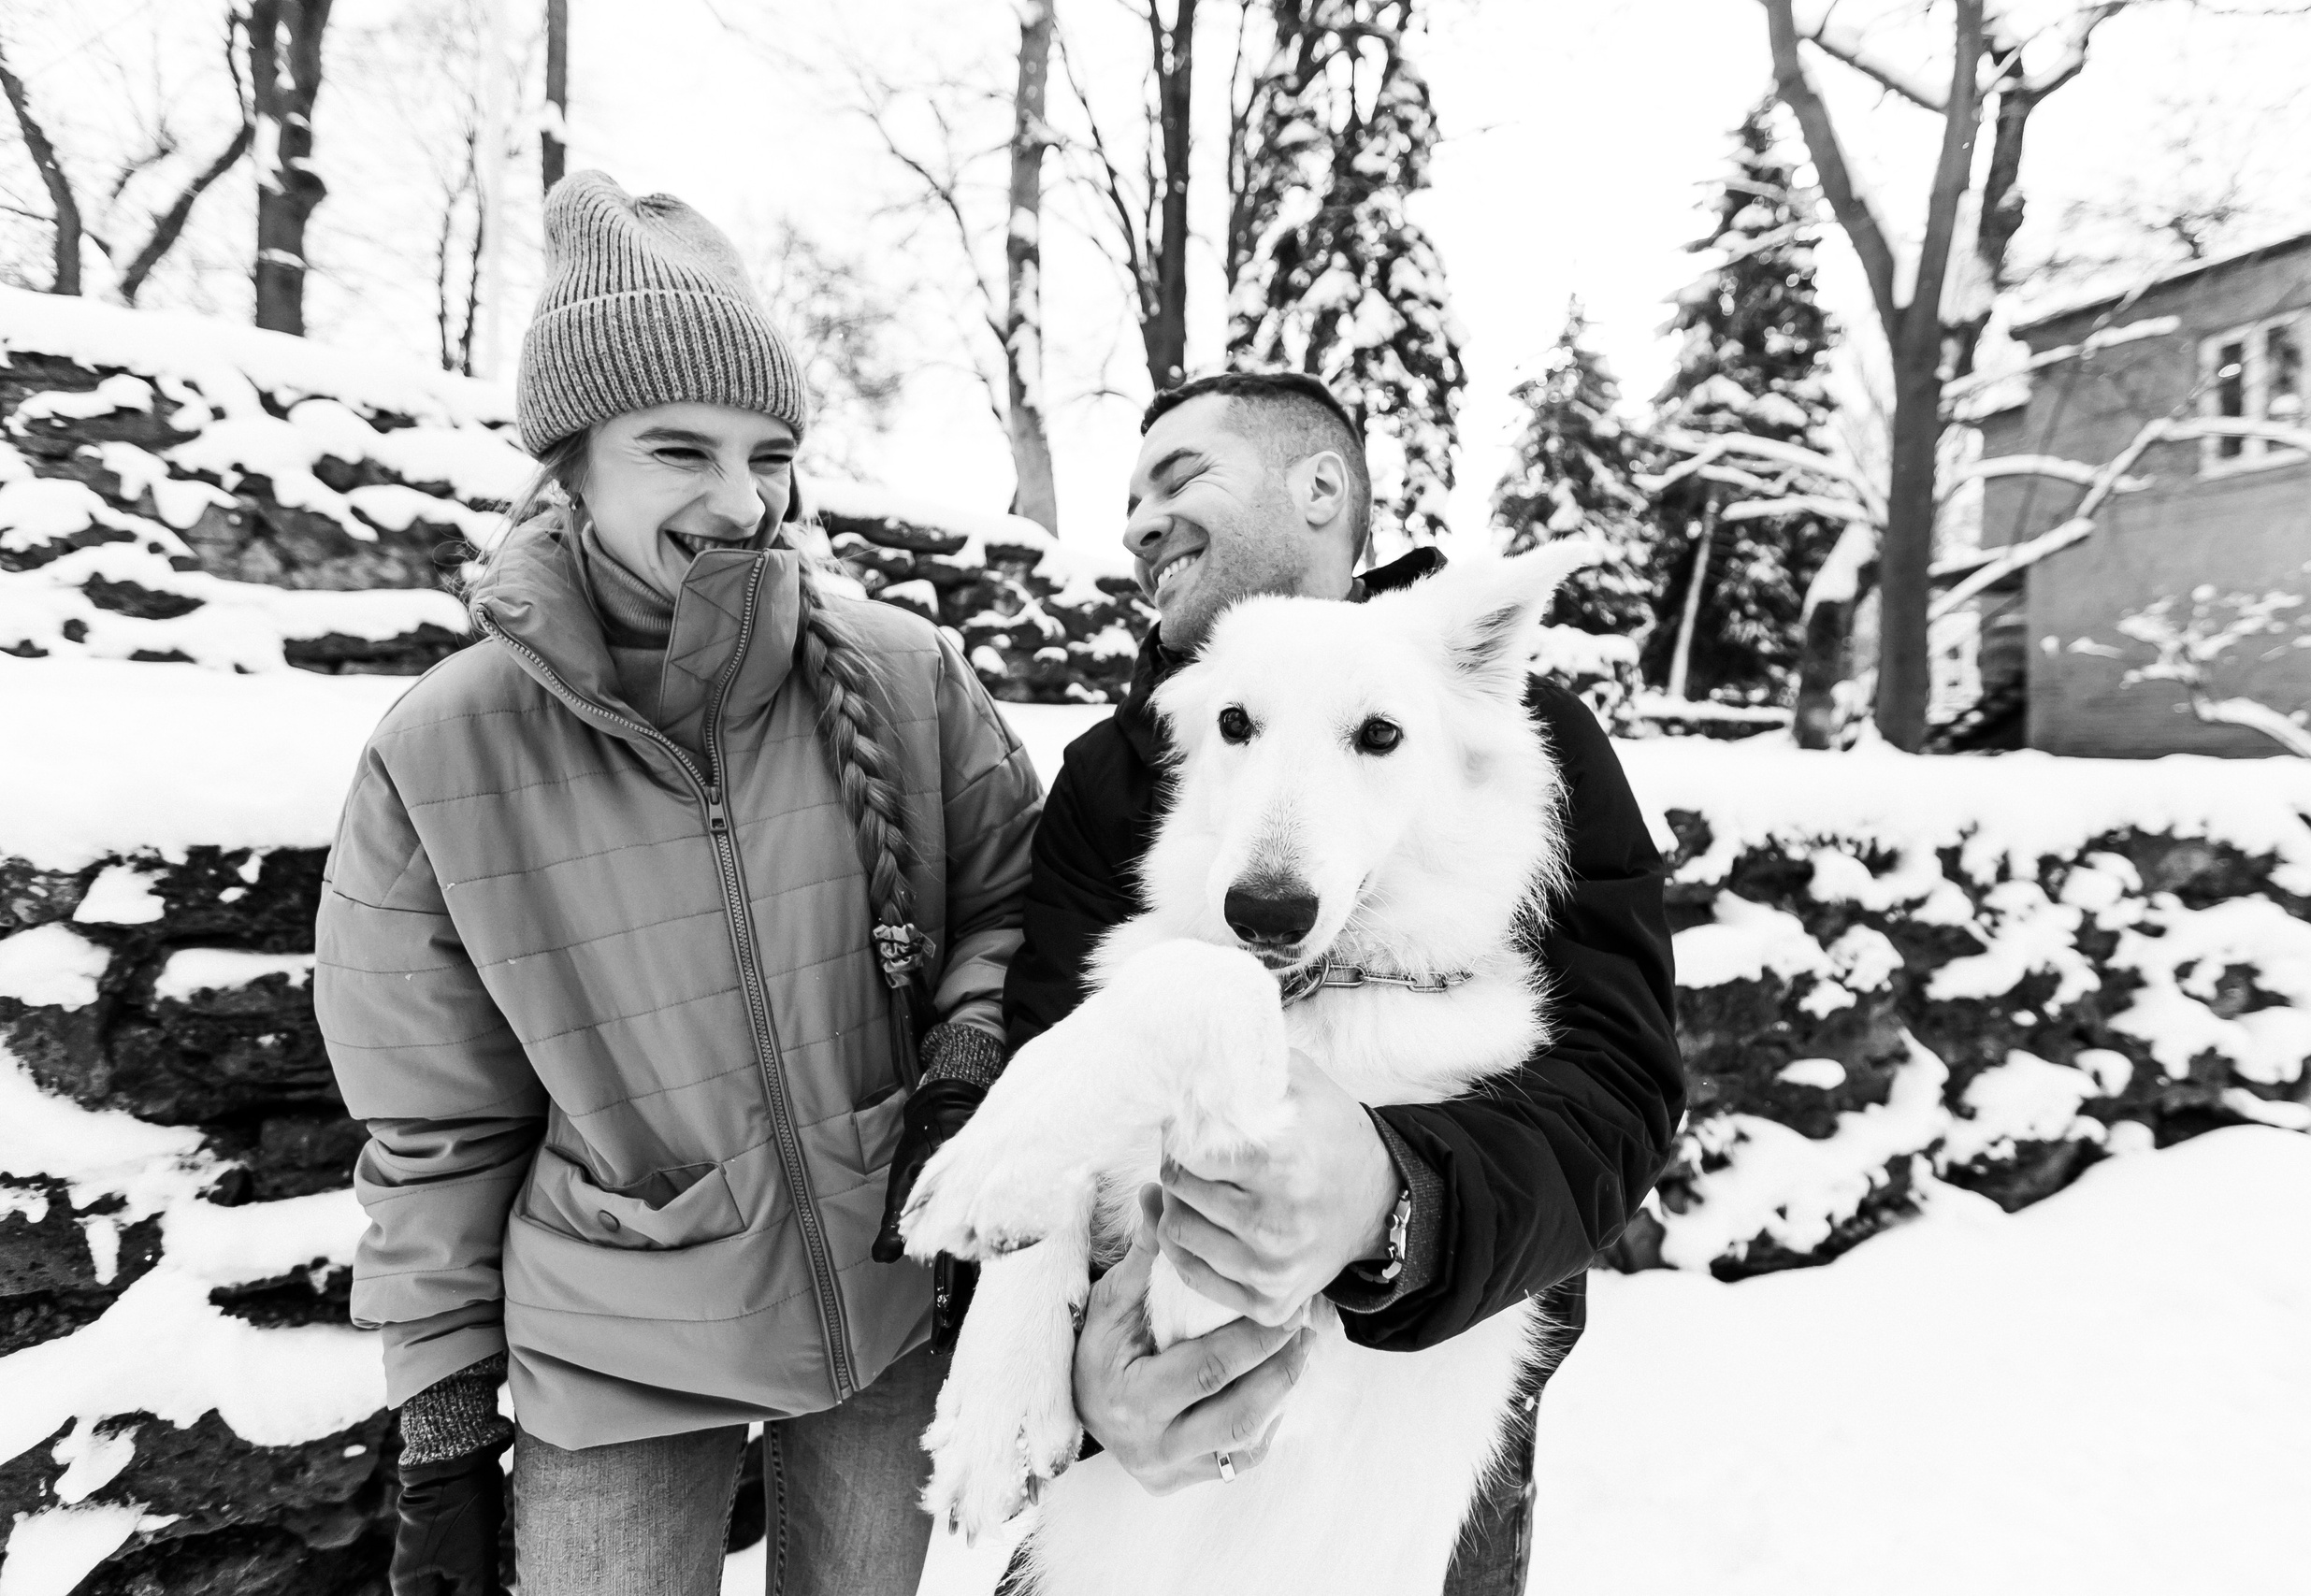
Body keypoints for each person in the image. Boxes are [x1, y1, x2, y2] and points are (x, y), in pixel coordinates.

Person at [315, 171, 1042, 1596]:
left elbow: (1018, 903)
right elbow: (435, 1124)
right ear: (568, 462)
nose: (740, 499)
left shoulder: (902, 676)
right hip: (613, 1343)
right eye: (677, 449)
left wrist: (965, 1056)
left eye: (767, 452)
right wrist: (447, 1432)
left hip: (884, 1305)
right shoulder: (442, 751)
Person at [1003, 371, 1684, 1594]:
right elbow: (1024, 1091)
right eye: (1130, 499)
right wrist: (1072, 1362)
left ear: (1322, 488)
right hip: (1136, 1467)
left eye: (1179, 476)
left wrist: (1394, 1196)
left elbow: (1620, 1092)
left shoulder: (1515, 731)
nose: (1141, 521)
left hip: (1423, 1415)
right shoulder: (1106, 780)